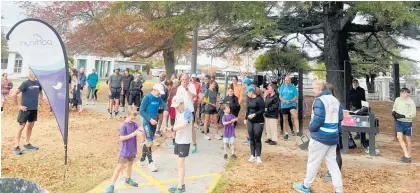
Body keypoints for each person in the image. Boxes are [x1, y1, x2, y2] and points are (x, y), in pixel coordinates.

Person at [293, 80, 343, 193]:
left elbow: (318, 120)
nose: (313, 90)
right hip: (333, 136)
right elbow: (340, 118)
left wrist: (311, 128)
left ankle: (306, 186)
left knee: (313, 162)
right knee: (333, 164)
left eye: (314, 88)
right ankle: (339, 189)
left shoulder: (320, 100)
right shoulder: (335, 100)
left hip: (320, 137)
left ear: (319, 88)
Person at [105, 110, 141, 193]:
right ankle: (111, 185)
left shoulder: (134, 124)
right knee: (119, 167)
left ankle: (128, 178)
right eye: (132, 118)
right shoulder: (123, 125)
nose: (133, 119)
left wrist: (141, 131)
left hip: (132, 149)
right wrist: (133, 134)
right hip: (125, 150)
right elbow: (121, 138)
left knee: (130, 164)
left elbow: (139, 130)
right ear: (127, 115)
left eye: (134, 118)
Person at [165, 95, 192, 193]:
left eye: (177, 105)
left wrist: (172, 129)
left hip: (184, 141)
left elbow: (184, 124)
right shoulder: (178, 112)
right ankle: (181, 184)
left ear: (182, 103)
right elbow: (177, 124)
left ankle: (180, 187)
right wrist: (172, 134)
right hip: (178, 140)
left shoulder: (187, 112)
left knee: (181, 164)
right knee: (179, 164)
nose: (176, 108)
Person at [12, 72, 44, 155]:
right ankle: (16, 146)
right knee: (21, 127)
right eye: (33, 72)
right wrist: (18, 106)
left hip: (34, 109)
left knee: (30, 126)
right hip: (25, 109)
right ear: (30, 74)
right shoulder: (25, 83)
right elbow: (14, 94)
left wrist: (40, 102)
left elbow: (41, 93)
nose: (35, 74)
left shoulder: (38, 83)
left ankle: (27, 144)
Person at [139, 83, 168, 172]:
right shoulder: (147, 97)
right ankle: (150, 163)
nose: (160, 94)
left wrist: (166, 110)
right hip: (147, 122)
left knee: (149, 141)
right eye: (159, 92)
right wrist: (149, 119)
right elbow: (141, 111)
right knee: (150, 141)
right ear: (154, 89)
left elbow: (164, 105)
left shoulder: (158, 98)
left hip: (154, 122)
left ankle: (142, 160)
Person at [324, 83, 343, 182]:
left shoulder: (333, 102)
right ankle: (332, 171)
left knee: (335, 153)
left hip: (333, 131)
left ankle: (334, 173)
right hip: (335, 130)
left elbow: (340, 117)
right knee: (333, 153)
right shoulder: (337, 102)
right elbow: (341, 117)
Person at [392, 87, 416, 163]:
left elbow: (414, 114)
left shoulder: (411, 102)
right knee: (399, 137)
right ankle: (406, 155)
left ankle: (409, 156)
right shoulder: (397, 99)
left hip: (407, 122)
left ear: (408, 93)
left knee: (408, 139)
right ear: (400, 93)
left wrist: (404, 116)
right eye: (403, 93)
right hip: (399, 122)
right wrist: (394, 113)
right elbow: (394, 108)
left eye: (406, 93)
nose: (405, 94)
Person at [176, 74, 198, 153]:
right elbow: (177, 99)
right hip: (181, 110)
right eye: (183, 79)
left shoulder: (191, 86)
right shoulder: (179, 88)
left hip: (189, 110)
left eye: (186, 79)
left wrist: (186, 89)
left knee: (191, 128)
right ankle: (179, 143)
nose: (184, 81)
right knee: (180, 127)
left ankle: (194, 144)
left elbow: (193, 97)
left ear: (189, 79)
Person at [244, 87, 265, 164]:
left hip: (258, 121)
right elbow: (248, 109)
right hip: (250, 121)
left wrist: (254, 114)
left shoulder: (259, 99)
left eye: (247, 92)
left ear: (251, 92)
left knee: (257, 138)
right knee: (251, 138)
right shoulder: (248, 99)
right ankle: (252, 155)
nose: (246, 94)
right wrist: (245, 118)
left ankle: (258, 156)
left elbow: (262, 110)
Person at [279, 76, 299, 140]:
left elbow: (296, 97)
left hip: (291, 104)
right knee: (285, 120)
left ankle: (298, 131)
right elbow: (280, 96)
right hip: (284, 105)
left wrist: (290, 101)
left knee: (295, 115)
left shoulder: (293, 88)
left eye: (288, 80)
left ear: (290, 81)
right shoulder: (282, 87)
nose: (287, 81)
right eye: (286, 80)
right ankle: (286, 134)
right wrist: (284, 101)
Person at [242, 78, 255, 145]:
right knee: (247, 123)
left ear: (246, 83)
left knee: (249, 123)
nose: (243, 84)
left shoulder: (250, 88)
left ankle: (251, 139)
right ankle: (248, 138)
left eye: (244, 83)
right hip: (248, 107)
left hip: (250, 108)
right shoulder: (248, 87)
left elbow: (245, 94)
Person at [156, 72, 168, 137]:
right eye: (160, 77)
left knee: (161, 118)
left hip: (162, 104)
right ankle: (154, 129)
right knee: (155, 117)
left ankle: (158, 129)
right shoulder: (158, 84)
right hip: (156, 104)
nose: (161, 78)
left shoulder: (166, 85)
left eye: (163, 77)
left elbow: (166, 96)